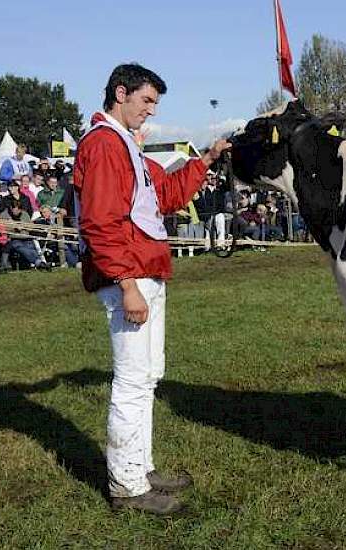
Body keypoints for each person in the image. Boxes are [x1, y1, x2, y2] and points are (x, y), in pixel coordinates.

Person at [73, 63, 230, 515]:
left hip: (143, 271)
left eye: (155, 105)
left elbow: (166, 196)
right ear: (120, 93)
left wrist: (206, 160)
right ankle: (127, 485)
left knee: (146, 378)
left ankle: (139, 470)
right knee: (132, 382)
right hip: (131, 276)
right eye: (146, 101)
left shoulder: (126, 146)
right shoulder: (104, 144)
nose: (151, 111)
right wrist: (126, 285)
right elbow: (100, 222)